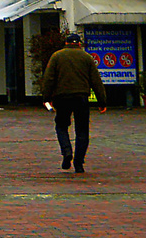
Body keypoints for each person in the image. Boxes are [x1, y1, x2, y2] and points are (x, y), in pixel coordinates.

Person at [42, 30, 107, 173]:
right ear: (79, 44)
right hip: (81, 97)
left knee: (61, 125)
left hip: (62, 97)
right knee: (82, 130)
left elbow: (49, 79)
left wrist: (46, 98)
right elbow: (96, 81)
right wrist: (102, 102)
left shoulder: (57, 56)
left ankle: (66, 151)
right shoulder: (86, 57)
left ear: (66, 43)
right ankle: (79, 163)